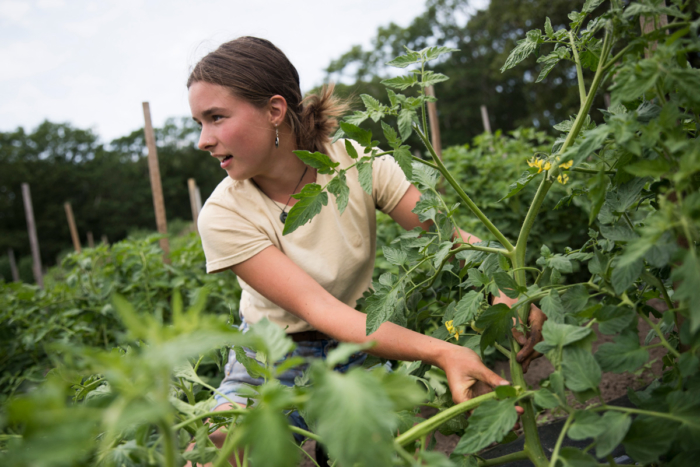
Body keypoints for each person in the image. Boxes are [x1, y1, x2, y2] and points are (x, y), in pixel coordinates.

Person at [186, 36, 545, 460]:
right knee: (217, 448)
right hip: (274, 354)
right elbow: (323, 311)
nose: (203, 140)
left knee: (381, 451)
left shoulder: (358, 162)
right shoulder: (224, 214)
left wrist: (506, 292)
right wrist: (444, 351)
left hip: (360, 346)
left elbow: (451, 239)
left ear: (274, 110)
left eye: (216, 118)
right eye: (199, 124)